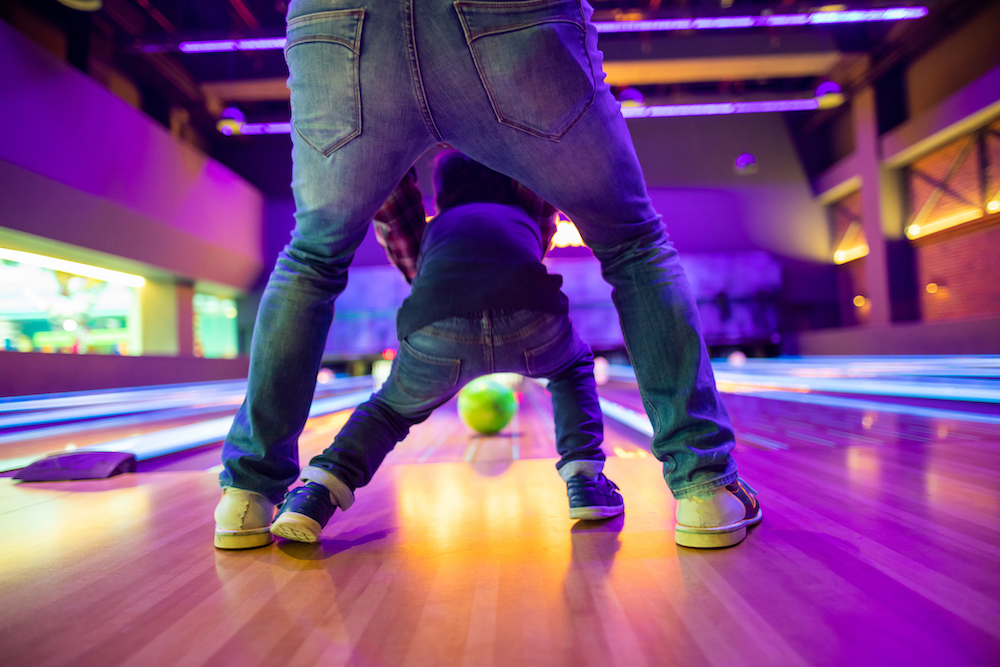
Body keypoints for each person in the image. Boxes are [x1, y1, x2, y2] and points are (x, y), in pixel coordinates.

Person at [214, 0, 760, 552]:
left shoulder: (438, 227)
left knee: (313, 259)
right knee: (632, 244)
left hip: (338, 21)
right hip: (507, 17)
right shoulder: (521, 211)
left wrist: (438, 293)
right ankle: (694, 486)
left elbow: (396, 218)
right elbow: (541, 217)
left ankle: (253, 493)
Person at [263, 151, 624, 543]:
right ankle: (586, 480)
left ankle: (314, 496)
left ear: (444, 192)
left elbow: (399, 226)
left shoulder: (433, 230)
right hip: (533, 316)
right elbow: (539, 184)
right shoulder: (528, 215)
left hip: (436, 324)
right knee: (571, 368)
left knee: (386, 413)